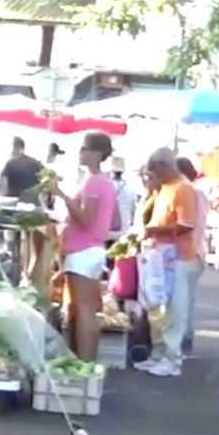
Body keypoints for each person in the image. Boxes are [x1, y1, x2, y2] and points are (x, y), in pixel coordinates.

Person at [54, 132, 118, 360]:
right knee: (86, 309)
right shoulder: (106, 183)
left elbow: (85, 218)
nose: (81, 153)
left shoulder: (93, 182)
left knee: (83, 310)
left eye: (85, 149)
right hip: (94, 250)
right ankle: (86, 358)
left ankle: (84, 360)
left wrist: (62, 195)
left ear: (96, 154)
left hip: (82, 250)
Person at [136, 147, 198, 378]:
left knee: (174, 309)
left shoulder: (183, 189)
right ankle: (159, 354)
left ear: (164, 166)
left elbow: (186, 225)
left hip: (179, 256)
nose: (154, 177)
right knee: (158, 308)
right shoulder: (166, 188)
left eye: (156, 172)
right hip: (161, 254)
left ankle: (172, 358)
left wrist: (155, 230)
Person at [176, 157, 210, 354]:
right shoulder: (198, 193)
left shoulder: (190, 193)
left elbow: (191, 225)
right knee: (188, 297)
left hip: (190, 251)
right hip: (196, 252)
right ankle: (185, 337)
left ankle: (183, 339)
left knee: (183, 298)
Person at [111, 157, 136, 241]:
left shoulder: (106, 186)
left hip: (107, 231)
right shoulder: (130, 189)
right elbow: (133, 212)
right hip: (124, 232)